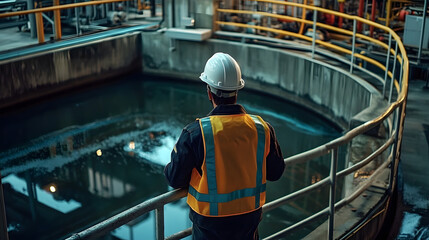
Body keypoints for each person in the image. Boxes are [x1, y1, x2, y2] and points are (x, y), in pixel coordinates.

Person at [164, 52, 285, 240]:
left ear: (209, 91)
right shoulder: (262, 128)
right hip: (249, 219)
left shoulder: (196, 133)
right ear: (237, 90)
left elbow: (174, 178)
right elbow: (275, 173)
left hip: (210, 225)